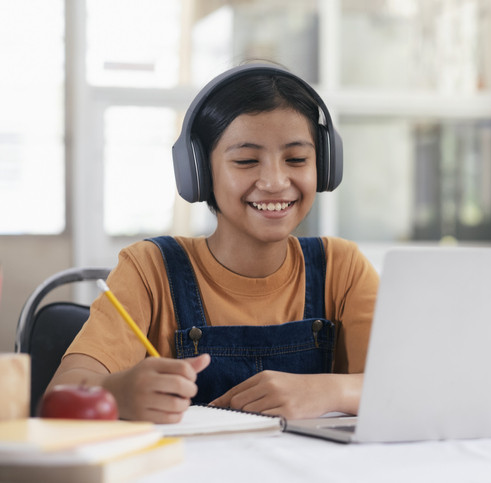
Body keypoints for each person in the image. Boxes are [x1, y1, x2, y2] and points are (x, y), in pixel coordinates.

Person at [46, 62, 379, 423]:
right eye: (247, 160)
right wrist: (120, 393)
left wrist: (332, 390)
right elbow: (59, 396)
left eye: (297, 159)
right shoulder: (149, 269)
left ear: (325, 166)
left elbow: (407, 387)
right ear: (199, 172)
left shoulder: (342, 268)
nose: (274, 181)